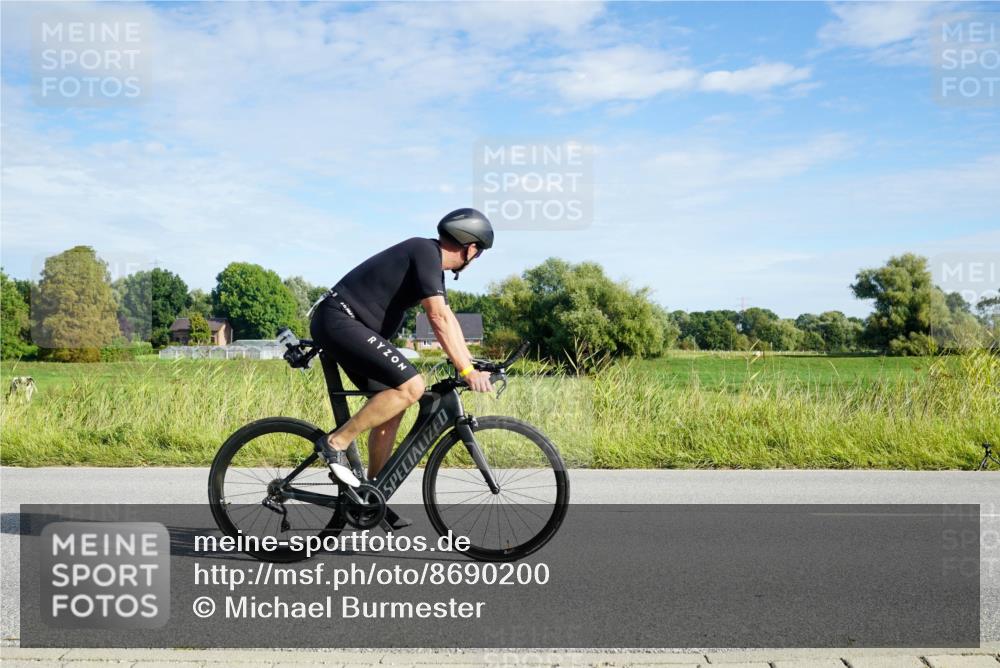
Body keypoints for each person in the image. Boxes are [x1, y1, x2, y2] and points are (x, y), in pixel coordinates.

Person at [309, 208, 495, 508]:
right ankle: (335, 443)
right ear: (471, 248)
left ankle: (370, 494)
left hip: (344, 324)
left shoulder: (430, 264)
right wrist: (466, 370)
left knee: (393, 401)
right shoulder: (424, 251)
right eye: (479, 253)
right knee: (413, 387)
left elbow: (447, 316)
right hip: (338, 320)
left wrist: (471, 363)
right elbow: (436, 318)